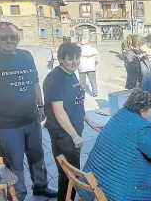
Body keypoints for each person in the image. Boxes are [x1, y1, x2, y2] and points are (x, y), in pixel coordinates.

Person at [0, 21, 58, 200]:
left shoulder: (26, 55)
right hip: (7, 125)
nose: (9, 40)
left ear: (18, 38)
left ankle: (41, 187)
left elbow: (34, 82)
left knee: (37, 156)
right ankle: (17, 196)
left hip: (31, 120)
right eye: (4, 37)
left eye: (13, 37)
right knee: (14, 163)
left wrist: (40, 106)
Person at [80, 89, 151, 201]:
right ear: (142, 111)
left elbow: (138, 136)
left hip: (92, 186)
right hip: (115, 195)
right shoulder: (142, 129)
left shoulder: (120, 115)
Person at [43, 42, 104, 201]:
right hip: (63, 134)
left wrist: (90, 122)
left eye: (77, 58)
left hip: (73, 131)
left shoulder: (71, 74)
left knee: (71, 171)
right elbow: (59, 112)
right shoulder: (55, 79)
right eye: (71, 59)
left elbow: (76, 104)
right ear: (61, 59)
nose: (75, 62)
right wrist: (74, 136)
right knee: (69, 173)